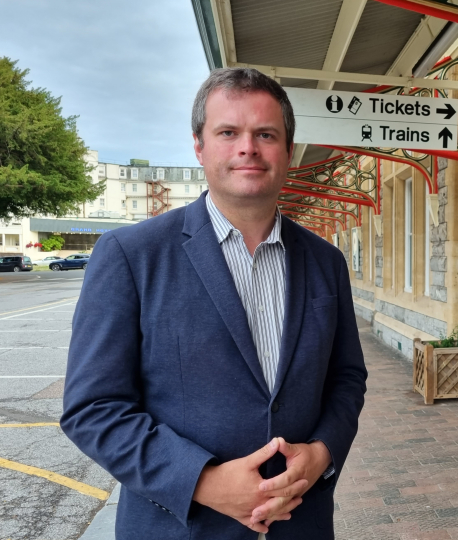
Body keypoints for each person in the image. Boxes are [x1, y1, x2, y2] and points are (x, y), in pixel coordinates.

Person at [61, 68, 368, 540]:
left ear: (287, 151)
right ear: (199, 147)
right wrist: (202, 482)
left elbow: (347, 377)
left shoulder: (326, 261)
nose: (248, 147)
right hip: (182, 528)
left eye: (265, 134)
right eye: (228, 132)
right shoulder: (131, 255)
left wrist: (323, 452)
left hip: (300, 524)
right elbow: (94, 408)